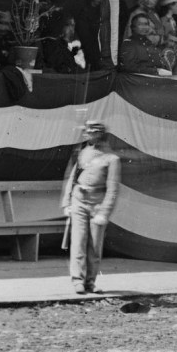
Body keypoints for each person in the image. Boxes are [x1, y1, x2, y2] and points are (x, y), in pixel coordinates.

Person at [60, 120, 121, 294]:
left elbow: (113, 188)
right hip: (79, 201)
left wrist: (104, 212)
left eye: (93, 132)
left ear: (101, 134)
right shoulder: (81, 153)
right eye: (88, 132)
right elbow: (72, 178)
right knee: (78, 242)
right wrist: (67, 203)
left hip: (97, 204)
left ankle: (90, 282)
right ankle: (77, 280)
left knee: (94, 246)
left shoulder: (112, 159)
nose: (89, 135)